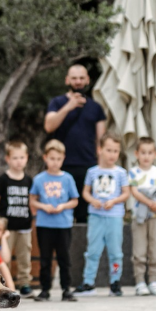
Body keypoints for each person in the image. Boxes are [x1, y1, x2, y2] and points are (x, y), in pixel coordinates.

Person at [43, 64, 106, 224]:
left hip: (88, 166)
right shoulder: (57, 103)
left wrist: (101, 166)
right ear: (67, 80)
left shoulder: (96, 107)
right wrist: (68, 107)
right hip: (61, 167)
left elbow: (102, 140)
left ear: (87, 80)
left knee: (85, 215)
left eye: (81, 78)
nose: (78, 82)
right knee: (62, 211)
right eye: (74, 78)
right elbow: (49, 126)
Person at [77, 133, 130, 297]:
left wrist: (114, 201)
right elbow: (85, 192)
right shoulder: (92, 172)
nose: (112, 154)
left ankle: (115, 281)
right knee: (92, 250)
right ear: (100, 150)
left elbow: (126, 193)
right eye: (109, 150)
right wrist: (93, 200)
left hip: (114, 217)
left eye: (115, 151)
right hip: (96, 216)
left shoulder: (121, 173)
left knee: (116, 252)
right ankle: (88, 282)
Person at [30, 140, 79, 301]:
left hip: (63, 224)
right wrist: (43, 207)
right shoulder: (39, 179)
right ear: (45, 158)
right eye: (52, 158)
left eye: (58, 159)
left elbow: (75, 200)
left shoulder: (68, 179)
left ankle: (66, 289)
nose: (55, 162)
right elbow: (33, 200)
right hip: (45, 224)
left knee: (64, 257)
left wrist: (63, 206)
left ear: (63, 159)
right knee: (45, 258)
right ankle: (45, 289)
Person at [129, 136, 156, 296]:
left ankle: (153, 280)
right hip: (139, 218)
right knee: (139, 250)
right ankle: (140, 281)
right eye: (143, 152)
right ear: (137, 154)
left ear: (155, 154)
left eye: (150, 152)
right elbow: (133, 191)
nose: (146, 156)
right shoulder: (133, 172)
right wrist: (148, 202)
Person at [0, 140, 33, 296]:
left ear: (27, 158)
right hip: (6, 227)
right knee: (4, 257)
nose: (18, 161)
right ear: (8, 159)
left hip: (24, 225)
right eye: (15, 158)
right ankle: (3, 283)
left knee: (24, 255)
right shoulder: (3, 179)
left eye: (22, 157)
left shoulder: (29, 180)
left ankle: (24, 283)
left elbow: (31, 200)